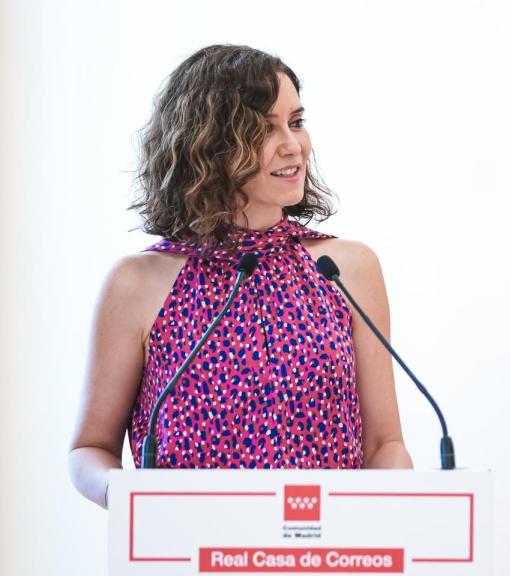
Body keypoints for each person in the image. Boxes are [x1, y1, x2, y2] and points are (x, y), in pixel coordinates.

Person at [68, 45, 413, 509]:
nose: (293, 145)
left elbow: (384, 444)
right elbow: (90, 449)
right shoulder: (137, 283)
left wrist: (385, 516)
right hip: (188, 549)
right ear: (209, 144)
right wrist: (128, 496)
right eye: (263, 129)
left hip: (322, 550)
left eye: (296, 121)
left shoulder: (346, 268)